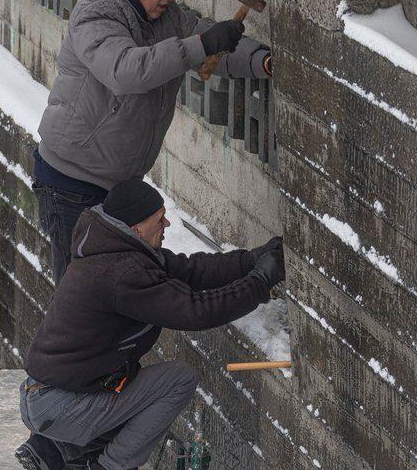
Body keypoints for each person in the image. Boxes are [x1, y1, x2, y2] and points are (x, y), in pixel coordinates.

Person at [34, 0, 274, 284]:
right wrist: (201, 45)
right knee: (80, 300)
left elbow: (204, 40)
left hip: (116, 187)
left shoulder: (165, 16)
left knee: (114, 295)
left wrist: (261, 61)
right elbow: (126, 71)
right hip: (70, 185)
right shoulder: (96, 14)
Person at [15, 178, 285, 470]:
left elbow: (191, 270)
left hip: (49, 397)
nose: (167, 224)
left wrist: (252, 260)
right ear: (136, 229)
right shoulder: (123, 273)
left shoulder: (114, 249)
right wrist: (259, 282)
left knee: (133, 394)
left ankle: (56, 449)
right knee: (177, 380)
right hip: (60, 404)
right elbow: (196, 311)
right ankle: (107, 466)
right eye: (159, 219)